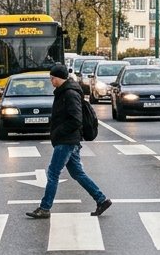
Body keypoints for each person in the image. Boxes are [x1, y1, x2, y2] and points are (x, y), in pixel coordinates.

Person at [26, 64, 112, 220]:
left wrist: (58, 132)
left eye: (52, 78)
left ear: (58, 78)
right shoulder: (64, 91)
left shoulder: (69, 93)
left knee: (53, 173)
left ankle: (45, 208)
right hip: (69, 140)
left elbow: (76, 119)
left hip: (67, 140)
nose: (51, 81)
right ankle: (101, 199)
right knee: (77, 173)